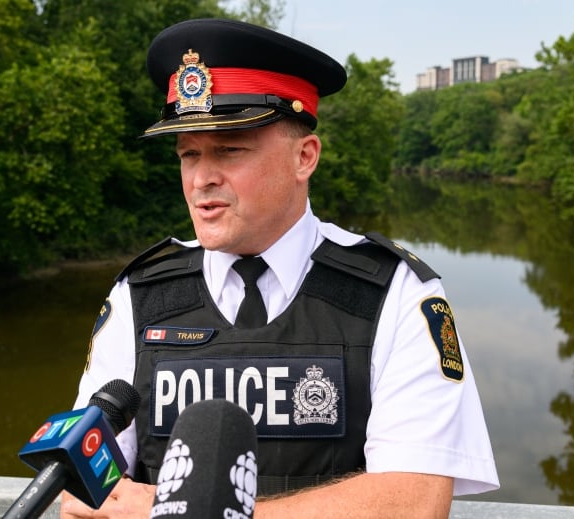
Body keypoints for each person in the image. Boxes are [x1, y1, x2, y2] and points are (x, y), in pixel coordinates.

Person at [61, 17, 499, 519]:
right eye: (188, 154)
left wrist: (188, 512)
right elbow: (88, 492)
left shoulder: (395, 293)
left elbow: (415, 501)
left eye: (229, 150)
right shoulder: (138, 296)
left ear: (304, 158)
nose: (202, 178)